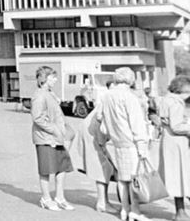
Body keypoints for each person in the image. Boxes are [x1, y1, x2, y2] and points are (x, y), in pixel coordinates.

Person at [97, 67, 151, 221]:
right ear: (130, 79)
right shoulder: (130, 97)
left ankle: (124, 210)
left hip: (116, 142)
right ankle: (134, 210)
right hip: (131, 142)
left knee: (122, 178)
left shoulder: (107, 96)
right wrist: (142, 145)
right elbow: (137, 124)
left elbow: (100, 117)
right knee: (134, 178)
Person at [69, 81, 119, 214]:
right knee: (103, 167)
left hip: (94, 132)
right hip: (92, 133)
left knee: (106, 167)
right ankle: (102, 203)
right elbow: (103, 122)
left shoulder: (111, 98)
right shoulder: (111, 99)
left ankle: (104, 201)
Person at [31, 66, 75, 211]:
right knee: (46, 169)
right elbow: (37, 118)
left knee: (61, 167)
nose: (55, 80)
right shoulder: (39, 95)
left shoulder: (49, 93)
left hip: (57, 137)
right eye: (52, 77)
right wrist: (54, 130)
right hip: (46, 138)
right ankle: (46, 198)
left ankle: (60, 197)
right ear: (44, 78)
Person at [158, 75, 190, 221]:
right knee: (183, 176)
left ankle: (180, 212)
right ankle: (181, 213)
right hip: (178, 143)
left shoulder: (165, 99)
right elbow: (177, 126)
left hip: (169, 142)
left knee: (177, 178)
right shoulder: (176, 103)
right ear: (182, 90)